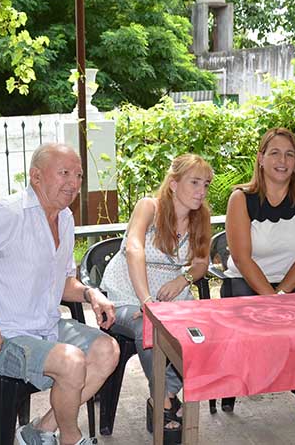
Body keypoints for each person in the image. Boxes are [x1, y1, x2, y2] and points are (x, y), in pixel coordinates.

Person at [0, 143, 119, 445]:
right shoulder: (7, 214)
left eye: (78, 175)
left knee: (107, 350)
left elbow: (60, 283)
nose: (73, 183)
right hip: (0, 337)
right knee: (72, 361)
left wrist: (90, 294)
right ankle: (71, 439)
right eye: (64, 173)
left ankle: (39, 432)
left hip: (43, 328)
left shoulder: (65, 219)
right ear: (36, 177)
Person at [100, 154, 213, 443]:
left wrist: (183, 279)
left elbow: (201, 263)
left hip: (173, 296)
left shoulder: (201, 216)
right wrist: (147, 302)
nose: (202, 191)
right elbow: (133, 248)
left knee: (200, 332)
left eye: (206, 184)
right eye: (195, 182)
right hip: (128, 292)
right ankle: (164, 403)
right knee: (148, 328)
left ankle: (165, 395)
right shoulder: (149, 206)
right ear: (174, 184)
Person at [221, 127, 295, 437]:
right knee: (281, 329)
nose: (282, 160)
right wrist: (270, 298)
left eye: (290, 154)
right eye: (275, 153)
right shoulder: (242, 198)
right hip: (246, 284)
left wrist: (282, 294)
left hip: (293, 283)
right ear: (261, 159)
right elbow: (242, 258)